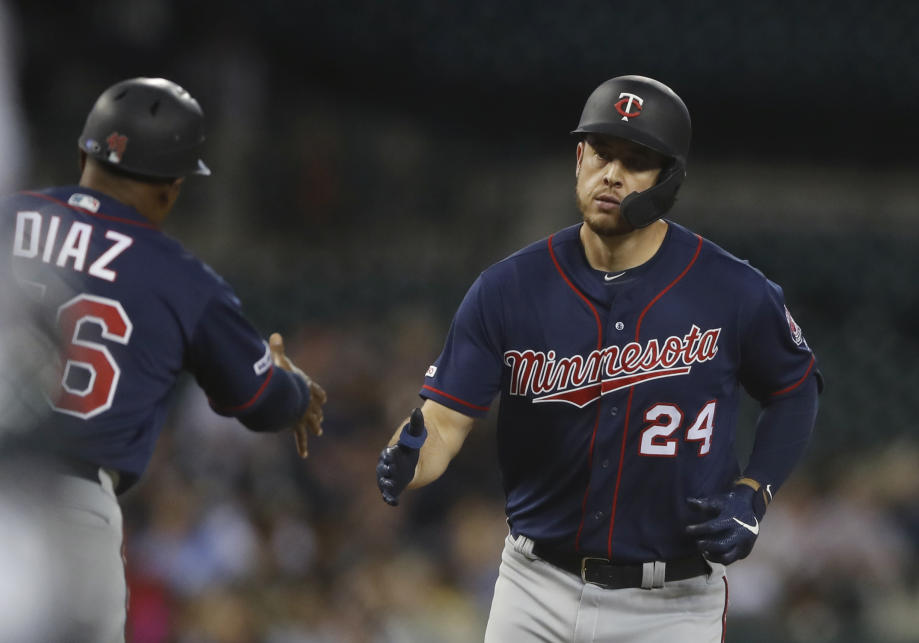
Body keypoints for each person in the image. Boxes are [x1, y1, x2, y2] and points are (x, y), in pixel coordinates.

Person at [376, 75, 822, 643]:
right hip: (535, 585)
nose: (612, 174)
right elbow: (441, 421)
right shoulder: (508, 288)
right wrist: (408, 456)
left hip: (673, 602)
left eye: (636, 161)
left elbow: (796, 387)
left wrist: (755, 490)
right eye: (602, 152)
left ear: (668, 180)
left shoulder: (732, 291)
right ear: (579, 157)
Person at [0, 77, 326, 642]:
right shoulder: (182, 279)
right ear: (173, 187)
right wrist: (294, 390)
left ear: (83, 153)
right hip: (68, 513)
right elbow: (259, 401)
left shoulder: (5, 217)